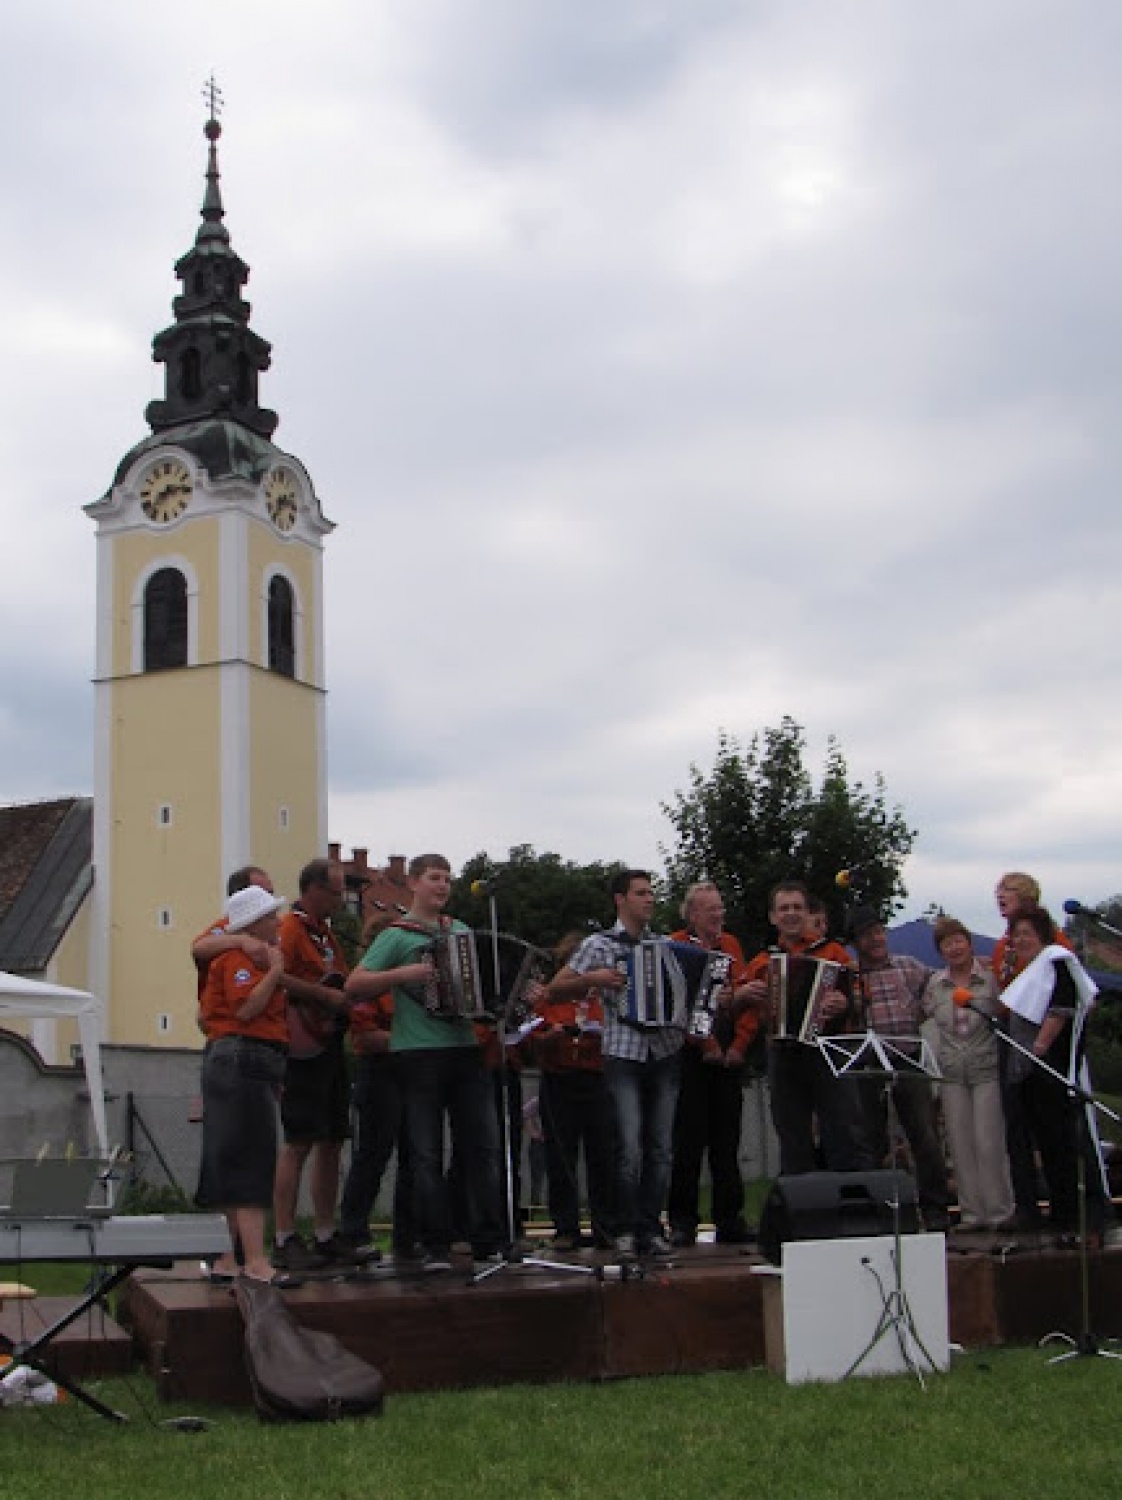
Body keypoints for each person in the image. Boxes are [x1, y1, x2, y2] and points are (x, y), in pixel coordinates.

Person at [344, 854, 504, 1273]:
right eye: (434, 878)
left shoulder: (462, 930)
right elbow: (355, 985)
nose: (443, 886)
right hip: (418, 1052)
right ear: (414, 883)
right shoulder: (397, 936)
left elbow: (485, 982)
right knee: (424, 1151)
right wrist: (403, 975)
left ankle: (487, 1237)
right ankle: (432, 1244)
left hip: (465, 1046)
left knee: (481, 1147)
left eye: (447, 879)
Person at [546, 870, 682, 1260]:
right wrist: (594, 978)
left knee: (661, 1147)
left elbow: (687, 988)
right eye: (640, 893)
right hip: (623, 1049)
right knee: (628, 1145)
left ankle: (650, 1226)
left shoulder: (666, 945)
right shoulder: (598, 944)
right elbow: (556, 987)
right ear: (620, 900)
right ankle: (622, 1227)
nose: (649, 900)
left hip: (664, 1050)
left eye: (651, 893)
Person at [195, 884, 289, 1283]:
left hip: (238, 1057)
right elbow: (247, 1007)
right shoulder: (241, 957)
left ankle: (227, 1258)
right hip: (244, 1055)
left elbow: (205, 1017)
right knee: (251, 1155)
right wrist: (277, 973)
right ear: (254, 923)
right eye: (271, 917)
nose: (278, 922)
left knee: (229, 1155)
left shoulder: (232, 955)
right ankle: (254, 1258)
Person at [743, 882, 865, 1175]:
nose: (791, 914)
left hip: (828, 1050)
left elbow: (860, 994)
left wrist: (844, 1001)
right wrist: (747, 993)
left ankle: (846, 1206)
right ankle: (802, 1209)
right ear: (773, 917)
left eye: (797, 907)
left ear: (808, 913)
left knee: (841, 1130)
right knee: (792, 1134)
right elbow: (742, 1005)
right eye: (784, 908)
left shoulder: (833, 952)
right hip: (784, 1054)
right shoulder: (763, 961)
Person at [271, 858, 356, 1272]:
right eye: (337, 892)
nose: (341, 900)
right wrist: (322, 997)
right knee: (299, 1140)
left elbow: (339, 977)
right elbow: (275, 975)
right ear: (314, 889)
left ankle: (325, 1232)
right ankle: (285, 1235)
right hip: (303, 1045)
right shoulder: (289, 929)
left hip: (329, 1044)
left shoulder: (325, 936)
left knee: (333, 1137)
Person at [1002, 906, 1103, 1239]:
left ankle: (1075, 1216)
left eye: (1026, 933)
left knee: (1062, 1144)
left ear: (1042, 935)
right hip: (1028, 1072)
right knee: (1045, 1144)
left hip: (1051, 1068)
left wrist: (1040, 1048)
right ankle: (1059, 1214)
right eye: (1015, 935)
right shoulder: (1027, 969)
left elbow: (1061, 1007)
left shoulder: (1056, 961)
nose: (1019, 940)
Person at [848, 906, 951, 1231]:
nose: (876, 939)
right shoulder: (851, 975)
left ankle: (936, 1209)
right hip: (870, 1062)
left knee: (925, 1138)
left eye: (879, 931)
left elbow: (937, 986)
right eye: (868, 935)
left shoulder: (907, 966)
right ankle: (882, 1212)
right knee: (873, 1140)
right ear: (857, 941)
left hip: (908, 1057)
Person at [666, 882, 756, 1247]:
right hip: (691, 1054)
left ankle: (729, 1218)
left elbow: (747, 998)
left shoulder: (731, 946)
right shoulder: (674, 945)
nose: (717, 916)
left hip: (727, 1054)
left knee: (726, 1142)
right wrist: (706, 1044)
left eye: (720, 909)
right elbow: (679, 1006)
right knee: (686, 1142)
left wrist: (738, 1045)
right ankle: (683, 1221)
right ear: (691, 915)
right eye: (709, 910)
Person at [991, 871, 1074, 1229]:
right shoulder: (1001, 945)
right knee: (1016, 1130)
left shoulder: (1056, 944)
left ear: (1026, 896)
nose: (999, 897)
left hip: (1044, 1046)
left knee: (1054, 1132)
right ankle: (1025, 1206)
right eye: (997, 892)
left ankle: (1067, 1211)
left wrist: (1041, 1044)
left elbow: (1065, 997)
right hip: (1011, 1040)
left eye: (1006, 891)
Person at [922, 918, 1014, 1231]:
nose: (954, 948)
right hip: (951, 1072)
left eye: (959, 940)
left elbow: (1004, 1014)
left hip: (985, 1067)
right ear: (940, 950)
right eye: (947, 943)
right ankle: (971, 1213)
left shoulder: (989, 978)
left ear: (969, 942)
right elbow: (925, 1017)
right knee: (959, 1144)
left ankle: (1000, 1211)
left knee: (989, 1142)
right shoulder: (935, 984)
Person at [534, 932, 615, 1250]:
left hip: (597, 1077)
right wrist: (551, 1036)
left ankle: (605, 1225)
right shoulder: (552, 998)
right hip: (559, 1077)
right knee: (561, 1155)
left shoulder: (604, 998)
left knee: (602, 1155)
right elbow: (533, 1038)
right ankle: (565, 1228)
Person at [336, 987, 417, 1262]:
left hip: (415, 1071)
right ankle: (353, 1232)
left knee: (416, 1156)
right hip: (381, 1071)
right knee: (372, 1155)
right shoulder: (372, 981)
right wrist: (412, 1038)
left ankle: (408, 1236)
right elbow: (364, 1036)